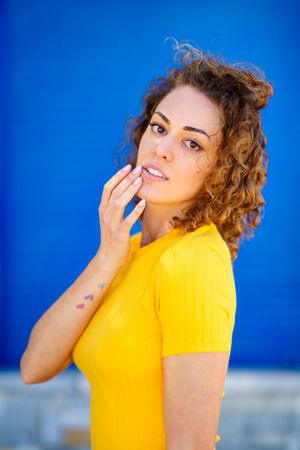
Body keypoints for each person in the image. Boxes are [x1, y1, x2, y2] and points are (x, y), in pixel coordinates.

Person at [20, 39, 274, 450]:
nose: (162, 149)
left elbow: (190, 445)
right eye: (160, 127)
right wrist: (107, 256)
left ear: (220, 169)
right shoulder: (129, 249)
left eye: (192, 143)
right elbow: (33, 367)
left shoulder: (195, 264)